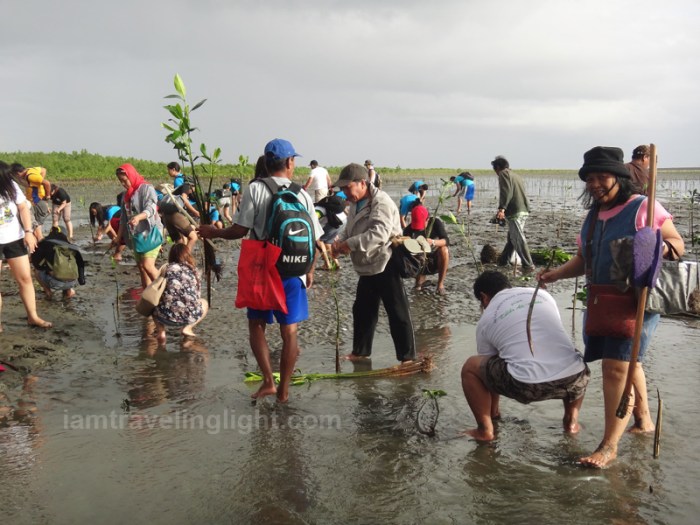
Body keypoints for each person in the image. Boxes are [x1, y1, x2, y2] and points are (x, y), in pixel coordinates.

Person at [538, 146, 684, 468]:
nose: (594, 184)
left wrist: (651, 245)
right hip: (602, 302)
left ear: (618, 176)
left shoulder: (642, 208)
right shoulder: (592, 218)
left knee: (615, 368)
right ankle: (644, 422)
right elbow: (584, 260)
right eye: (589, 179)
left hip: (636, 302)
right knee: (628, 364)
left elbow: (676, 244)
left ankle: (608, 446)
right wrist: (554, 275)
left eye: (601, 176)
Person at [198, 138, 322, 403]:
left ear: (266, 163)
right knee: (290, 333)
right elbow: (315, 238)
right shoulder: (302, 193)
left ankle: (268, 381)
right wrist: (309, 270)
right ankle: (285, 393)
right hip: (293, 270)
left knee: (256, 324)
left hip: (263, 268)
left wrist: (214, 232)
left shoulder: (256, 188)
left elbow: (239, 231)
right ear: (290, 163)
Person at [461, 271, 590, 441]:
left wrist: (494, 412)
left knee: (471, 367)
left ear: (484, 297)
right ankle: (571, 422)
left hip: (525, 384)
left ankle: (485, 429)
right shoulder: (542, 294)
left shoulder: (486, 319)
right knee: (572, 357)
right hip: (575, 379)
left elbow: (488, 369)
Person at [331, 163, 416, 363]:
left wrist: (348, 245)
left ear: (362, 183)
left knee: (397, 312)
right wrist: (339, 241)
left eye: (347, 187)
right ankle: (360, 352)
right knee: (362, 311)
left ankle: (408, 358)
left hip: (385, 261)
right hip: (366, 265)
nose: (344, 192)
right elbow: (349, 229)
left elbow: (378, 234)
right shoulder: (354, 202)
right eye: (342, 188)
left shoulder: (381, 201)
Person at [0, 161, 52, 330]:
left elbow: (23, 208)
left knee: (25, 278)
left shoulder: (10, 186)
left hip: (15, 238)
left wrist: (29, 232)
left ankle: (33, 316)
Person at [112, 164, 163, 287]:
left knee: (147, 265)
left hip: (150, 233)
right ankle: (148, 296)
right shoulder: (126, 195)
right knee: (141, 267)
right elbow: (123, 219)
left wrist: (139, 217)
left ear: (132, 175)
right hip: (136, 237)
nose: (123, 183)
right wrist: (118, 238)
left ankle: (168, 291)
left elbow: (151, 208)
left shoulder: (146, 189)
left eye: (125, 180)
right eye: (120, 181)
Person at [153, 244, 209, 345]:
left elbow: (157, 289)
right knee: (204, 302)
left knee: (152, 303)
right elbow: (196, 296)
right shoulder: (194, 271)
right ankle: (187, 329)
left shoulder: (166, 268)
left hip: (165, 316)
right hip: (189, 315)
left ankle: (161, 332)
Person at [491, 155, 534, 272]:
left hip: (515, 211)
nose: (496, 173)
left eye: (495, 170)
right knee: (512, 238)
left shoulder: (503, 174)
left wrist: (501, 209)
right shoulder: (516, 175)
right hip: (524, 209)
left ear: (498, 167)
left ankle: (528, 264)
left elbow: (506, 192)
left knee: (517, 238)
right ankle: (503, 261)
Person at [403, 202, 450, 294]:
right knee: (418, 287)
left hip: (435, 259)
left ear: (427, 219)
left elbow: (446, 241)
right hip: (420, 260)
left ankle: (440, 284)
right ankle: (420, 280)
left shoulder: (435, 223)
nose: (417, 229)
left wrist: (433, 242)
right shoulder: (408, 230)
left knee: (444, 250)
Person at [30, 226, 85, 299]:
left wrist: (47, 268)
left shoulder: (45, 243)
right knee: (67, 266)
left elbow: (36, 264)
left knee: (37, 271)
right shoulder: (73, 247)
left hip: (55, 283)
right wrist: (81, 281)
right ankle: (68, 291)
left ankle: (48, 292)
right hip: (72, 282)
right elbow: (81, 265)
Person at [10, 164, 51, 241]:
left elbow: (47, 183)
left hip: (37, 202)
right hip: (39, 202)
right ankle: (39, 247)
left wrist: (48, 196)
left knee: (36, 230)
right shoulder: (32, 170)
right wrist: (38, 184)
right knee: (36, 229)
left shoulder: (31, 177)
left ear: (17, 173)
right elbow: (43, 169)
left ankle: (40, 249)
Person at [159, 183, 200, 248]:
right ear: (192, 186)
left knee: (179, 242)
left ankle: (178, 257)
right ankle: (185, 257)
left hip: (166, 216)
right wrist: (195, 212)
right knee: (193, 237)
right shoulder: (186, 185)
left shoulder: (174, 193)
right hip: (174, 214)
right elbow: (184, 199)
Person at [315, 194, 347, 270]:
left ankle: (327, 264)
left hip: (336, 220)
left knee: (319, 240)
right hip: (343, 219)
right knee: (328, 242)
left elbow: (313, 218)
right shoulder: (320, 207)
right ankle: (336, 264)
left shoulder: (317, 209)